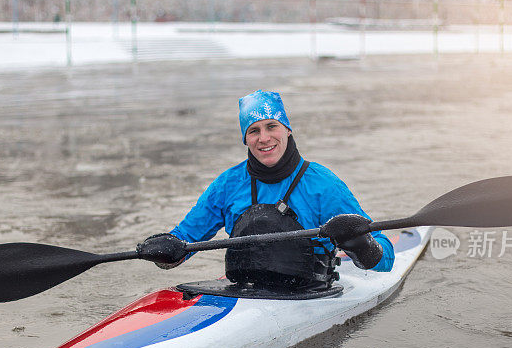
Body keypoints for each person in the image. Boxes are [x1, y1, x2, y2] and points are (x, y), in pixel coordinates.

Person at [136, 89, 394, 291]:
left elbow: (386, 258)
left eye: (272, 126)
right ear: (245, 139)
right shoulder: (228, 184)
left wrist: (360, 245)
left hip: (310, 292)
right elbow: (184, 240)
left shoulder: (324, 185)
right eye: (254, 131)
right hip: (244, 291)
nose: (264, 138)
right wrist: (165, 252)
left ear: (287, 130)